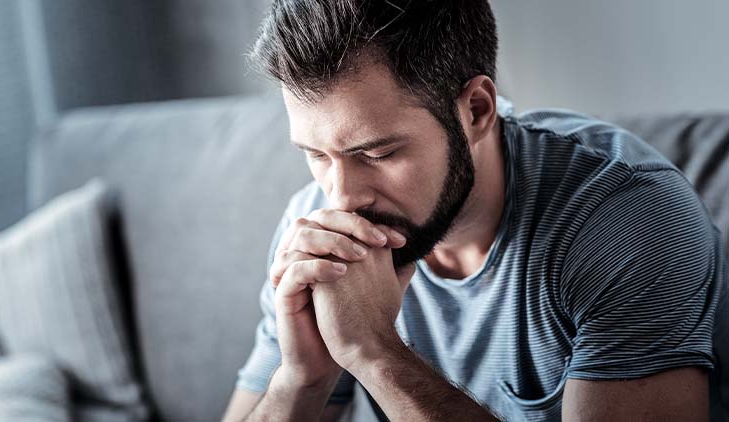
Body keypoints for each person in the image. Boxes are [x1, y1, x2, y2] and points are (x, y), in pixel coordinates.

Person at [223, 1, 728, 420]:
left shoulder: (626, 219)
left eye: (377, 154)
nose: (341, 197)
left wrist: (374, 353)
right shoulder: (315, 231)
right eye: (315, 156)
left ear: (476, 110)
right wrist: (301, 377)